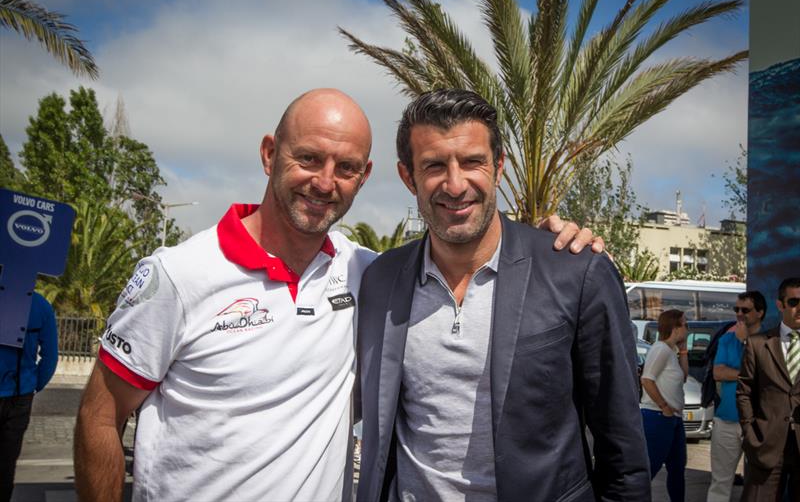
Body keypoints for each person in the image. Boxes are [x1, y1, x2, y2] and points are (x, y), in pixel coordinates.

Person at [73, 88, 600, 502]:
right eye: (308, 159)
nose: (325, 183)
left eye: (346, 168)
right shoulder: (179, 273)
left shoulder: (368, 275)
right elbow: (99, 417)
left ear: (366, 176)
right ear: (268, 154)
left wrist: (547, 241)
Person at [356, 89, 650, 501]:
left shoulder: (576, 272)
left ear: (498, 166)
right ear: (409, 177)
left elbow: (622, 448)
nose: (455, 185)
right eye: (435, 165)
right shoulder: (379, 280)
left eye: (472, 162)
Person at [737, 277, 800, 501]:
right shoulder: (758, 343)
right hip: (766, 446)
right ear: (780, 305)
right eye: (793, 302)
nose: (799, 308)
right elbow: (744, 392)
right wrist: (750, 434)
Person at [706, 291, 766, 502]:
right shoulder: (727, 339)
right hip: (727, 420)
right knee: (720, 482)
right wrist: (743, 373)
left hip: (759, 422)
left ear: (760, 313)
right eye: (737, 309)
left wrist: (745, 344)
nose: (739, 314)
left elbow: (764, 376)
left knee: (760, 483)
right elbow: (718, 373)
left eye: (745, 310)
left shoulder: (770, 341)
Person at [0, 292, 58, 502]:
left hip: (19, 392)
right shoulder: (40, 305)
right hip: (20, 395)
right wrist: (33, 386)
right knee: (6, 465)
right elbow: (50, 356)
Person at [640, 309, 689, 502]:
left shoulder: (671, 351)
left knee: (677, 468)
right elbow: (646, 379)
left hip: (674, 419)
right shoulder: (660, 349)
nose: (688, 328)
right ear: (675, 327)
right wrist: (664, 406)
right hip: (658, 417)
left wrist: (684, 351)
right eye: (685, 324)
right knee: (651, 467)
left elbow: (683, 376)